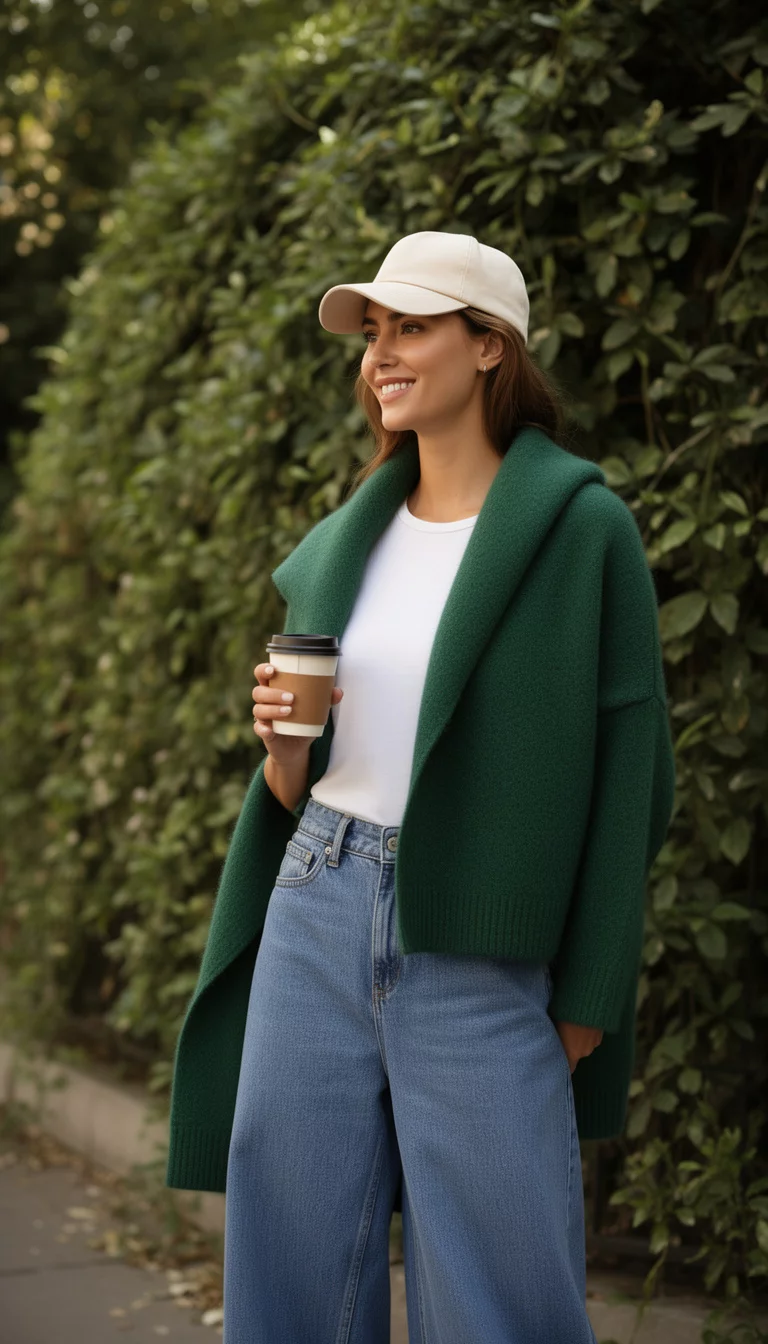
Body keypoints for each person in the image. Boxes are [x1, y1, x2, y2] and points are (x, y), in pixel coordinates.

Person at [165, 230, 676, 1344]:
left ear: (490, 346)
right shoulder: (347, 539)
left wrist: (587, 999)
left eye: (411, 327)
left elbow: (632, 776)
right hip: (319, 898)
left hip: (483, 941)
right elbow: (311, 772)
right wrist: (284, 752)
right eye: (373, 334)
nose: (380, 354)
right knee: (290, 1261)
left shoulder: (583, 531)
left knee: (500, 1284)